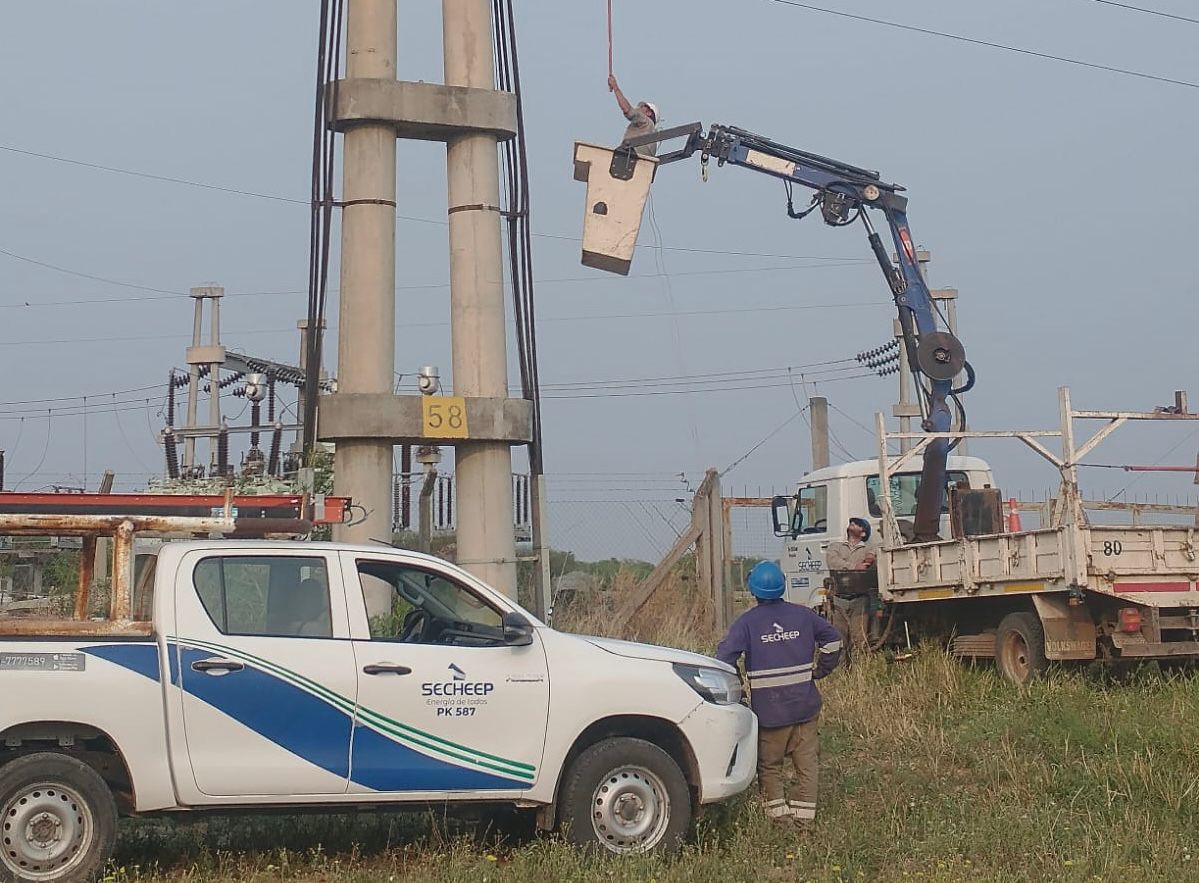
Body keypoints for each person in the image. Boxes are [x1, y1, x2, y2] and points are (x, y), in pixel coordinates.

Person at [716, 561, 842, 829]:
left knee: (770, 766)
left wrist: (736, 689)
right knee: (807, 766)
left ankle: (780, 819)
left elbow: (725, 657)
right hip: (805, 707)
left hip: (770, 713)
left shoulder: (747, 623)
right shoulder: (804, 615)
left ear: (754, 591)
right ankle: (804, 822)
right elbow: (833, 641)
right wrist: (821, 670)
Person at [608, 74, 659, 156]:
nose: (638, 108)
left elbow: (627, 109)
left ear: (649, 113)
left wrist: (615, 87)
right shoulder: (651, 133)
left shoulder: (645, 120)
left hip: (631, 156)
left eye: (642, 107)